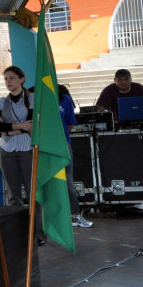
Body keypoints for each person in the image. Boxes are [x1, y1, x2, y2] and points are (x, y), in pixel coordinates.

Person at [0, 66, 45, 243]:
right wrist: (18, 127)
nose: (9, 81)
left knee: (32, 193)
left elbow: (31, 123)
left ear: (22, 79)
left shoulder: (31, 98)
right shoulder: (2, 101)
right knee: (13, 194)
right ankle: (18, 233)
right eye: (6, 78)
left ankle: (37, 232)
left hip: (27, 150)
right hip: (7, 151)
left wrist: (8, 130)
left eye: (12, 78)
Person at [58, 85, 92, 228]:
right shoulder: (36, 97)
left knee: (68, 183)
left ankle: (75, 215)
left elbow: (70, 123)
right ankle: (52, 218)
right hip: (44, 146)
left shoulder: (64, 98)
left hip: (63, 145)